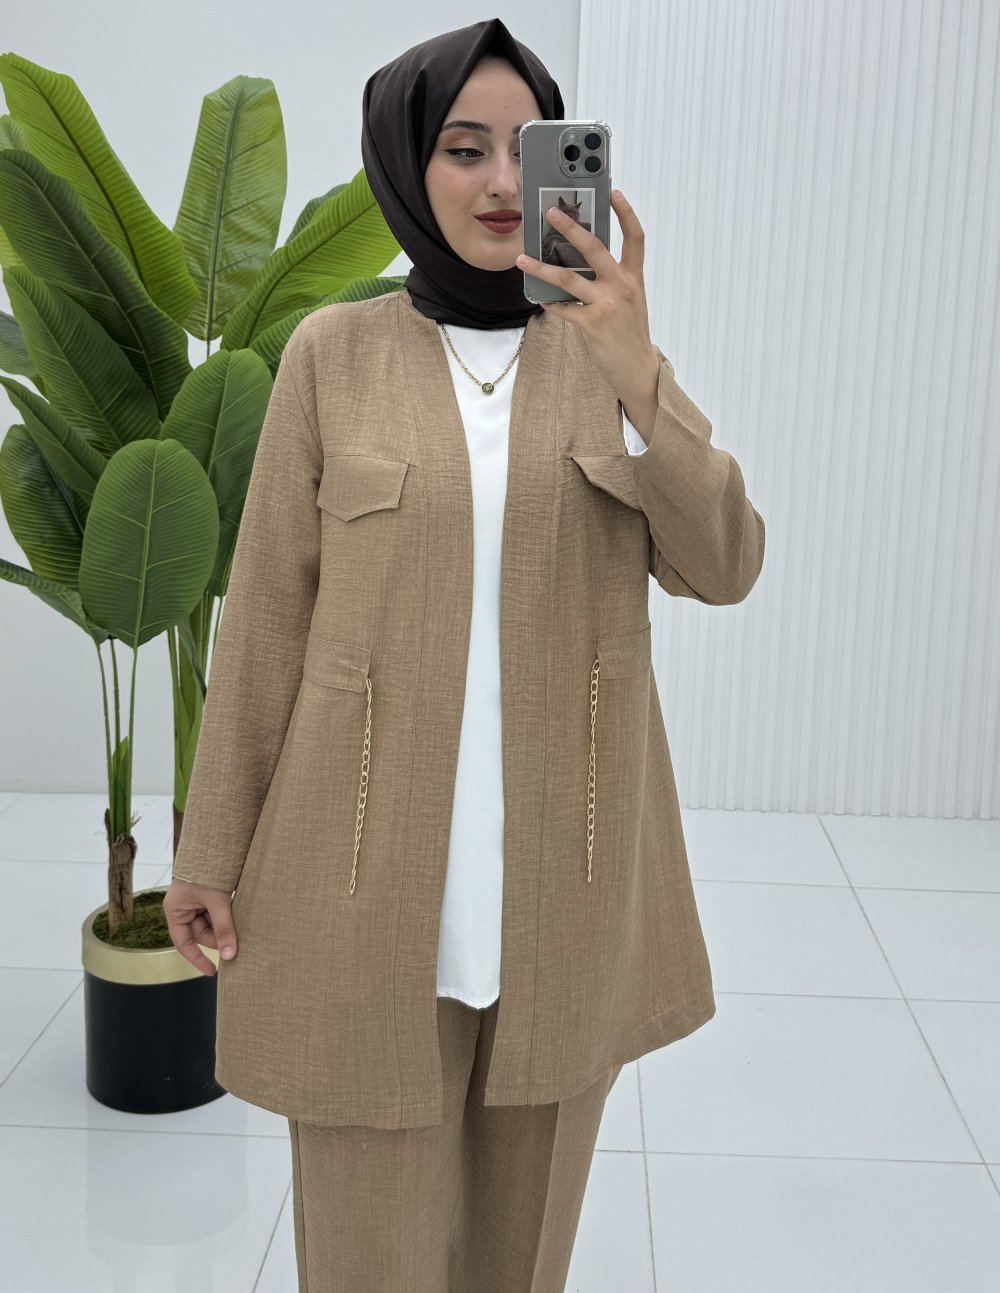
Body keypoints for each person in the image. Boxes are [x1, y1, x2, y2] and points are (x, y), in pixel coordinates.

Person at [163, 16, 765, 1292]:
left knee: (521, 1257)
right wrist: (209, 850)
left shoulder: (605, 358)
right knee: (366, 1257)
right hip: (361, 881)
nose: (500, 182)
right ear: (405, 162)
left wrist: (638, 377)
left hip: (565, 885)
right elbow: (265, 619)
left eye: (525, 148)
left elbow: (725, 565)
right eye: (462, 147)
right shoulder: (333, 357)